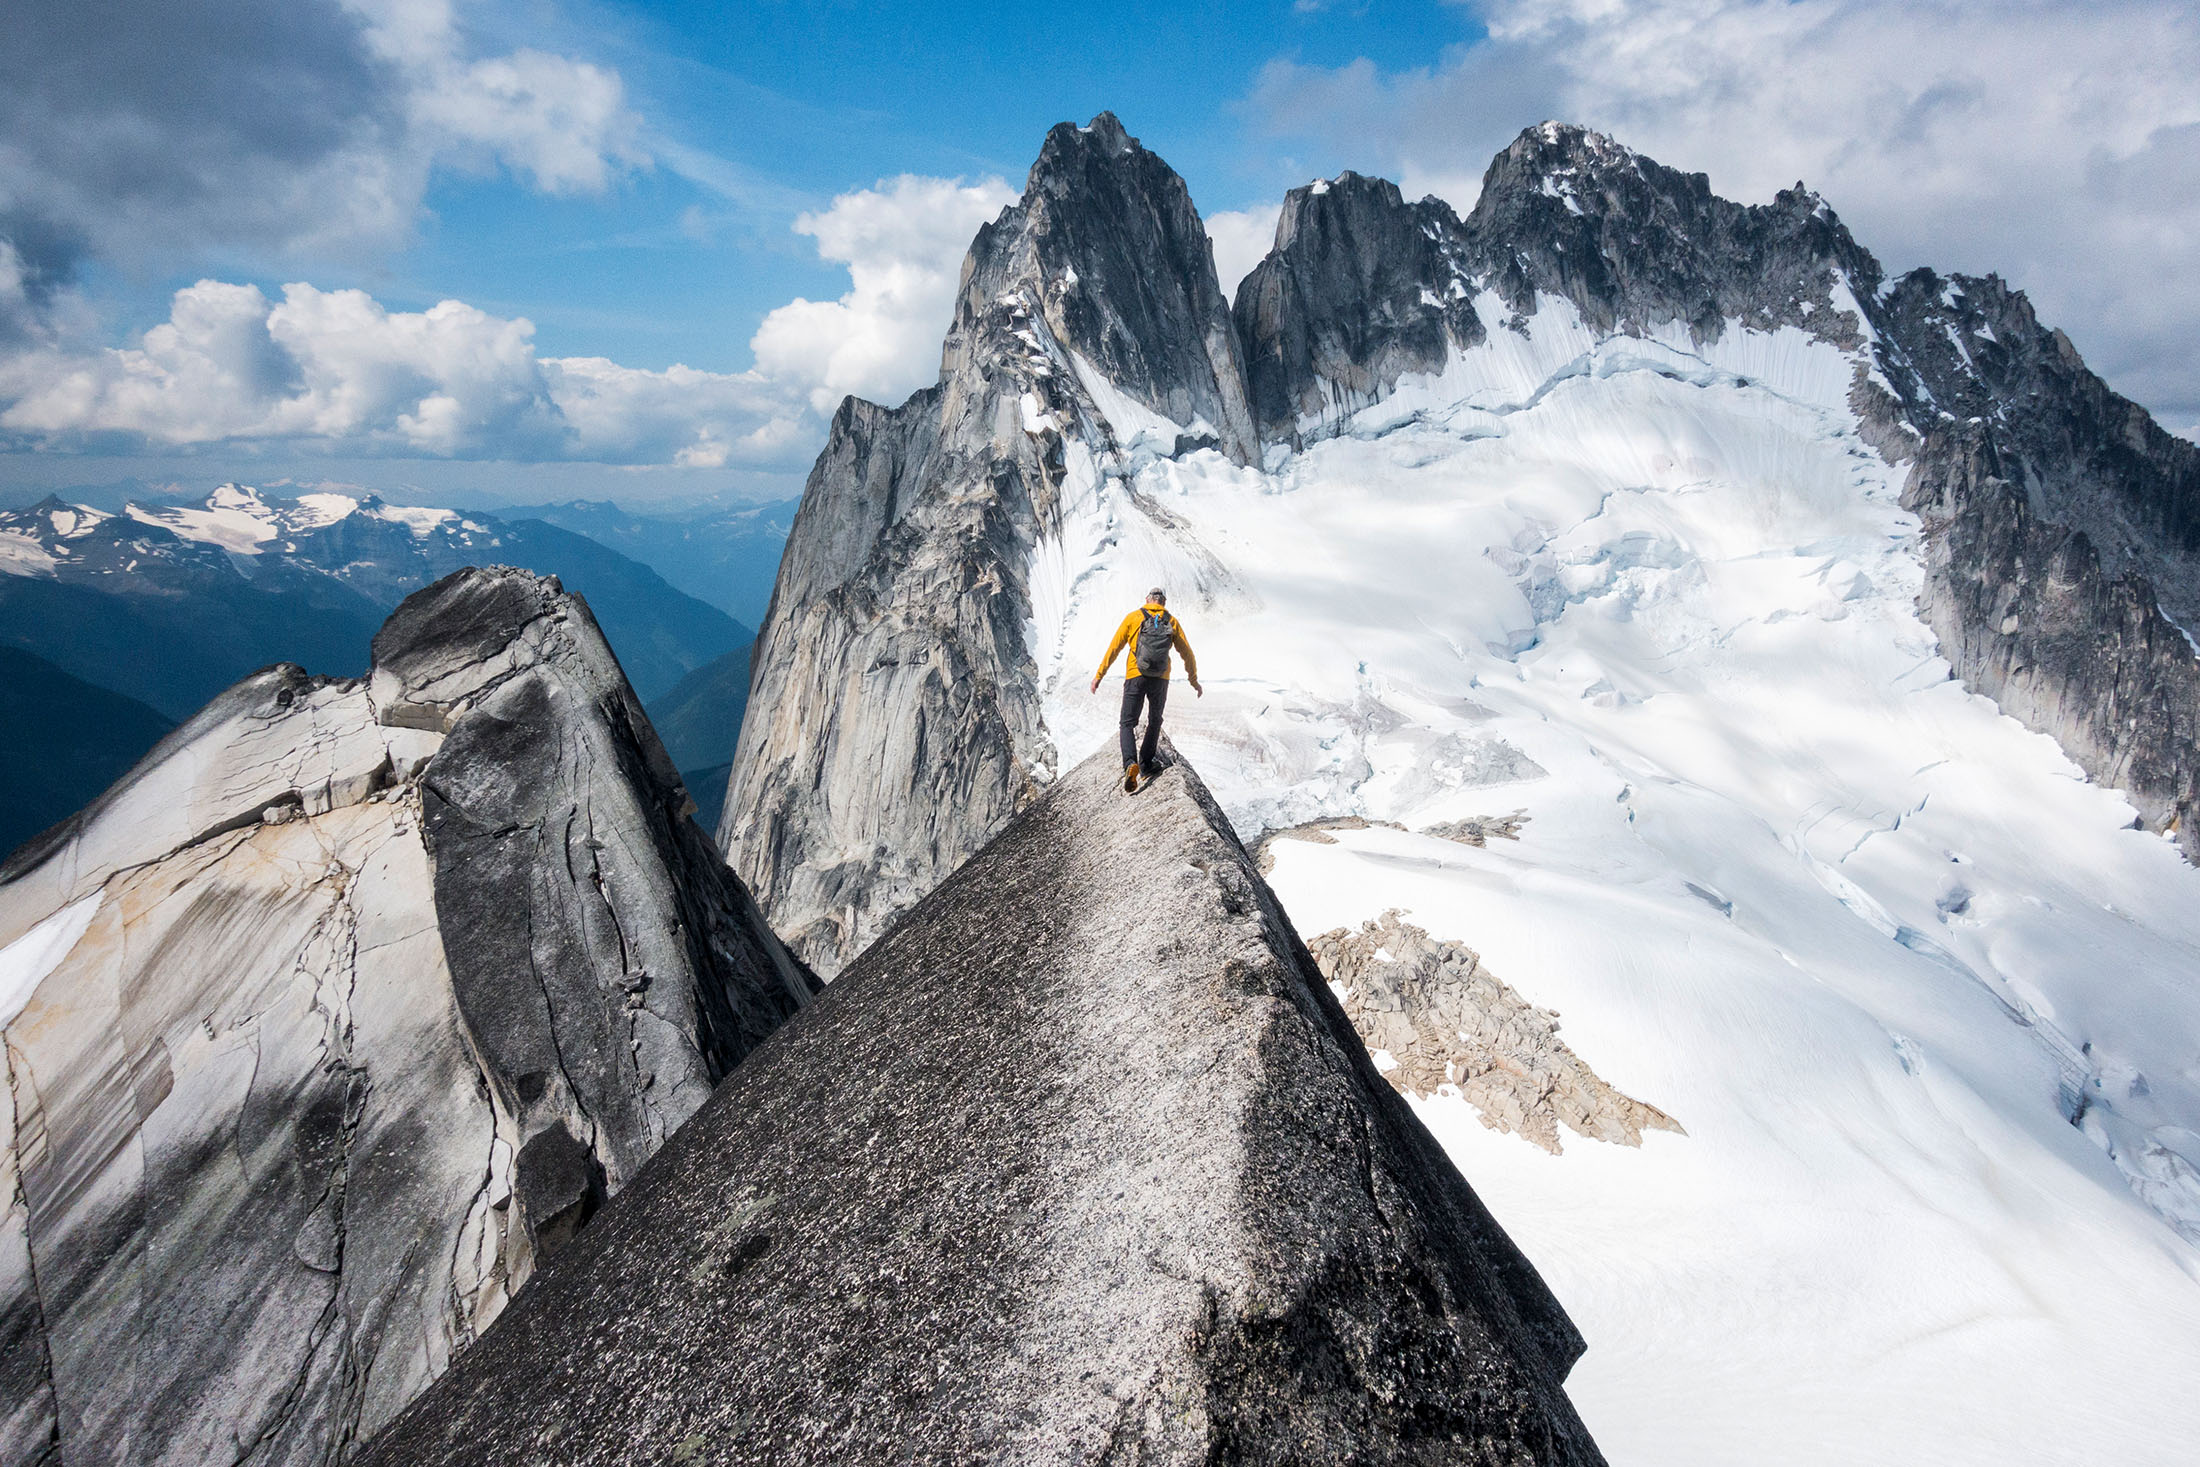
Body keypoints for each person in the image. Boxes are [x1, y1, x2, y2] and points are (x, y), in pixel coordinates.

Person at [1090, 586, 1201, 792]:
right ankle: (1146, 764)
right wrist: (1193, 680)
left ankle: (1130, 763)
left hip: (1135, 675)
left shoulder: (1133, 618)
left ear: (1147, 600)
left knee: (1127, 723)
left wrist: (1099, 675)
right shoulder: (1171, 621)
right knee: (1155, 720)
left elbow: (1114, 647)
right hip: (1160, 678)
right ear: (1163, 603)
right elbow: (1188, 653)